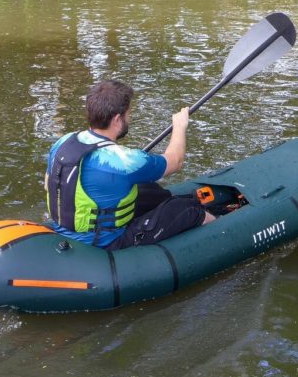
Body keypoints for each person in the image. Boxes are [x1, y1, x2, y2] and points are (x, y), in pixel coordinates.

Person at [45, 79, 214, 250]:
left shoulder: (63, 142)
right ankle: (220, 226)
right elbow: (175, 161)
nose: (130, 118)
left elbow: (49, 184)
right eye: (128, 113)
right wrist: (179, 126)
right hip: (104, 242)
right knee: (186, 210)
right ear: (117, 119)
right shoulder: (125, 161)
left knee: (147, 189)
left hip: (67, 229)